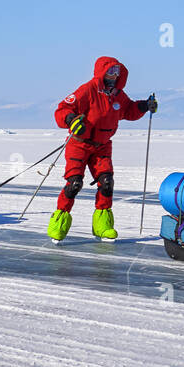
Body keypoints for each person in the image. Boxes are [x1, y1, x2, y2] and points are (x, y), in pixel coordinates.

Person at [47, 56, 157, 242]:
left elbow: (128, 110)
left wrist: (145, 106)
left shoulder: (117, 95)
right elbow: (62, 110)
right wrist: (71, 120)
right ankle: (58, 224)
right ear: (101, 72)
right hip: (79, 144)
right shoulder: (87, 90)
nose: (114, 75)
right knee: (74, 184)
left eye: (117, 72)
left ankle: (103, 226)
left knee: (107, 183)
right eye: (110, 71)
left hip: (102, 146)